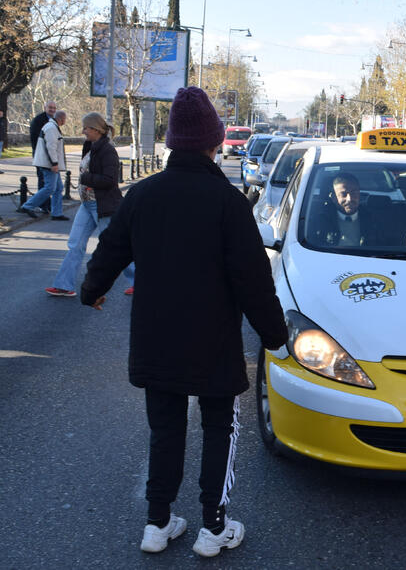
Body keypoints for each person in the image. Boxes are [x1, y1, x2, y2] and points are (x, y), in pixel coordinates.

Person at [79, 87, 288, 557]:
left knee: (165, 429)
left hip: (156, 338)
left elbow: (112, 247)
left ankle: (157, 524)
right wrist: (275, 336)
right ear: (214, 143)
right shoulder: (229, 202)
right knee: (220, 428)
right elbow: (253, 280)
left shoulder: (144, 195)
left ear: (173, 141)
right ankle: (213, 528)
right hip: (212, 341)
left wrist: (92, 291)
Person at [45, 113, 134, 297]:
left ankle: (141, 282)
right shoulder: (91, 146)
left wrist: (86, 178)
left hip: (104, 206)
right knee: (75, 244)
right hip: (87, 205)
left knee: (115, 247)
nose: (83, 131)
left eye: (86, 128)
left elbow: (110, 180)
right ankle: (64, 285)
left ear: (95, 129)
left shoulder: (107, 150)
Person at [305, 173, 382, 248]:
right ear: (333, 198)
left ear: (359, 194)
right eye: (343, 194)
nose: (349, 199)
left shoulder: (372, 219)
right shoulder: (319, 220)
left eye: (354, 193)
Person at [19, 109, 67, 220]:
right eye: (65, 119)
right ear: (61, 119)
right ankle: (27, 206)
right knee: (50, 188)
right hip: (49, 164)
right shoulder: (51, 128)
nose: (65, 121)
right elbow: (51, 147)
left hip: (49, 163)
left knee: (58, 188)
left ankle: (57, 213)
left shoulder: (51, 127)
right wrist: (54, 163)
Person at [29, 101, 57, 212]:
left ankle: (47, 205)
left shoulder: (53, 120)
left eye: (54, 108)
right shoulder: (38, 120)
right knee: (43, 181)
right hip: (41, 156)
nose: (52, 110)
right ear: (45, 107)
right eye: (50, 107)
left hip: (49, 156)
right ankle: (42, 205)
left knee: (50, 183)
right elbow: (35, 140)